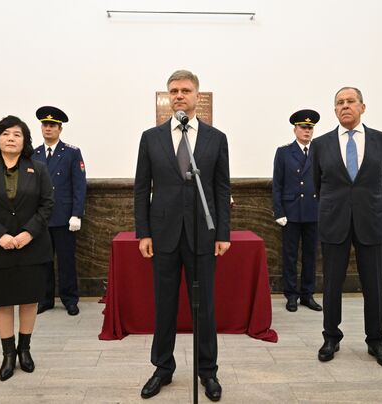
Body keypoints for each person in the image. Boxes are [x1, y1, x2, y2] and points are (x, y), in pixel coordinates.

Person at [134, 70, 231, 401]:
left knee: (205, 307)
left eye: (185, 90)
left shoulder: (215, 138)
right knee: (164, 305)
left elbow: (221, 188)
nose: (179, 95)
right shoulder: (151, 137)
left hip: (202, 234)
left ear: (196, 96)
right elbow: (140, 189)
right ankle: (162, 367)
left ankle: (208, 372)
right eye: (173, 90)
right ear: (167, 95)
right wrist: (143, 232)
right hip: (162, 234)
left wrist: (223, 232)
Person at [312, 87, 382, 370]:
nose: (344, 106)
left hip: (370, 221)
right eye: (339, 103)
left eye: (350, 101)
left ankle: (376, 341)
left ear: (363, 107)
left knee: (374, 285)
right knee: (332, 284)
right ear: (334, 110)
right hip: (334, 221)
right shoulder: (321, 144)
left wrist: (367, 206)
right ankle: (331, 338)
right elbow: (316, 184)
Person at [0, 115, 54, 381]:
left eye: (17, 134)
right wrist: (0, 235)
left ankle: (24, 350)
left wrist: (29, 232)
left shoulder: (38, 168)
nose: (11, 138)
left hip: (32, 246)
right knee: (3, 301)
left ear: (25, 140)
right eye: (6, 134)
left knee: (29, 299)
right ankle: (8, 354)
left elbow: (47, 204)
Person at [32, 106, 87, 316]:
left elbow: (79, 185)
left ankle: (70, 299)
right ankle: (45, 299)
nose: (48, 129)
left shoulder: (72, 153)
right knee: (43, 261)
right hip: (41, 218)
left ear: (60, 129)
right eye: (45, 125)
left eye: (52, 125)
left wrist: (77, 213)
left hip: (65, 218)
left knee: (66, 261)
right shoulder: (34, 154)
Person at [272, 109, 322, 312]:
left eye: (310, 128)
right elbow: (277, 184)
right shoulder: (284, 152)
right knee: (290, 256)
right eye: (303, 127)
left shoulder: (320, 151)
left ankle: (307, 295)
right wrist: (279, 212)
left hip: (313, 211)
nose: (307, 131)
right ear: (295, 129)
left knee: (311, 255)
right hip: (291, 212)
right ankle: (291, 295)